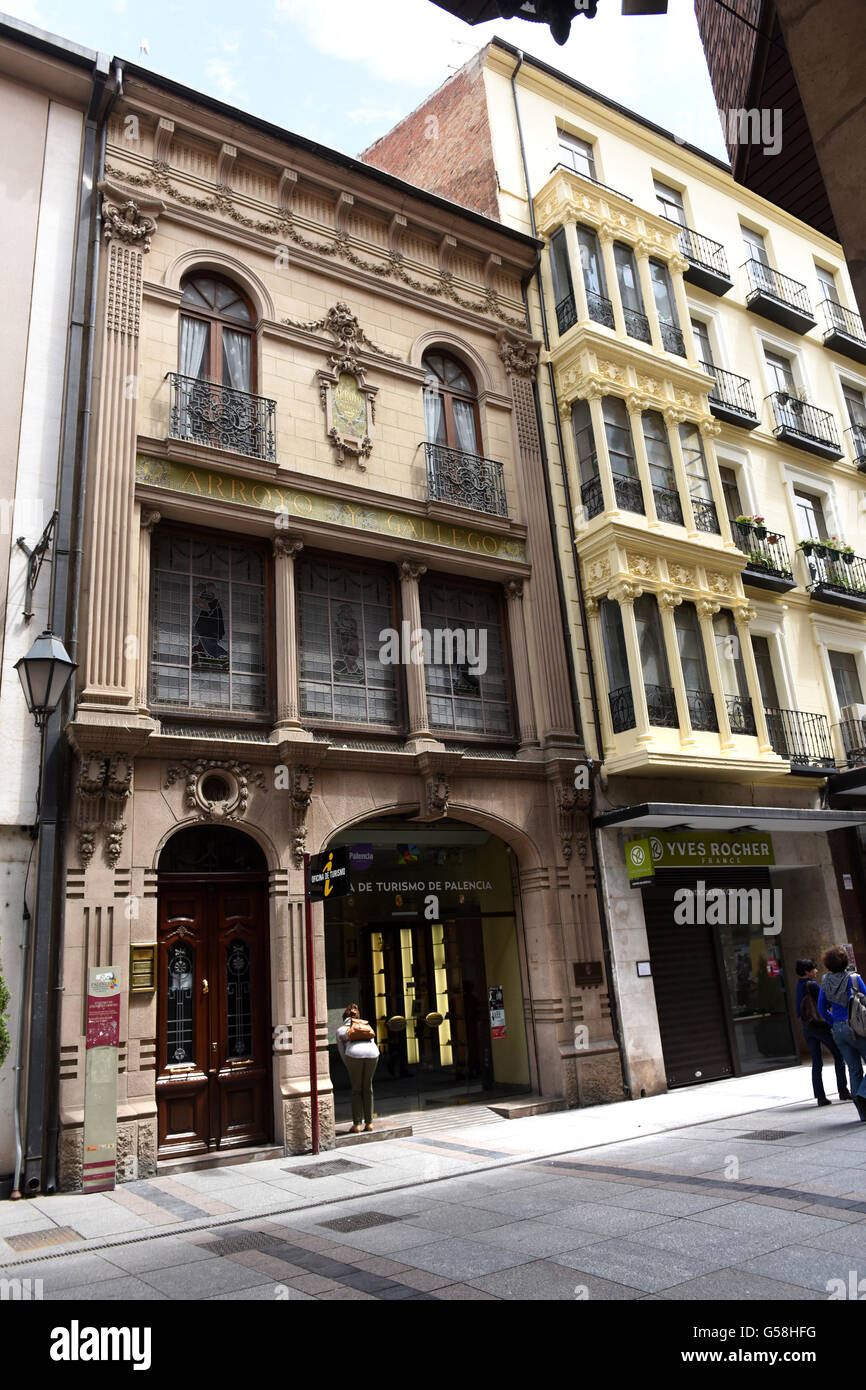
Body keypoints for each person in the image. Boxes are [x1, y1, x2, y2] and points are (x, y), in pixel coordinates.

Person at [818, 947, 866, 1122]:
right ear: (846, 961)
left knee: (854, 1070)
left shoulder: (825, 981)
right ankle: (863, 1094)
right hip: (858, 1028)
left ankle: (863, 1114)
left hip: (838, 1030)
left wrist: (834, 1024)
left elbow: (821, 1008)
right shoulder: (854, 978)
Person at [795, 958, 850, 1107]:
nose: (816, 971)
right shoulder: (811, 985)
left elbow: (798, 1010)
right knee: (839, 1055)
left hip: (807, 1027)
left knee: (816, 1062)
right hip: (820, 1027)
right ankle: (843, 1091)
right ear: (807, 971)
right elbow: (824, 1003)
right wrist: (832, 1021)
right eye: (813, 969)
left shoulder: (798, 985)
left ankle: (820, 1097)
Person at [336, 1003, 379, 1134]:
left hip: (354, 1055)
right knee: (368, 1088)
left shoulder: (341, 1030)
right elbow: (372, 1042)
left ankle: (357, 1125)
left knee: (356, 1089)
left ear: (344, 1018)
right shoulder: (366, 1026)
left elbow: (342, 1052)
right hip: (373, 1054)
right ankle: (369, 1123)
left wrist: (349, 1065)